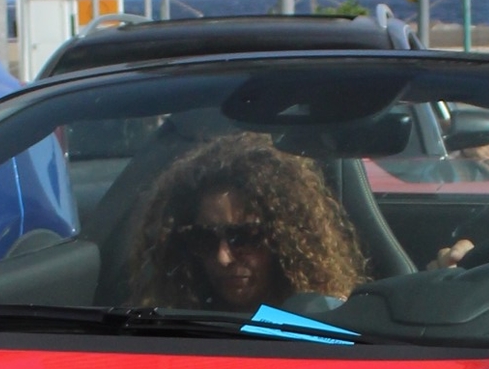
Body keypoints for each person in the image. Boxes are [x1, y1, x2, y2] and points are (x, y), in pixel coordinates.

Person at [128, 133, 366, 317]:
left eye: (243, 236)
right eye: (203, 238)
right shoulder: (168, 329)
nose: (223, 258)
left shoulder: (329, 321)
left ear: (284, 238)